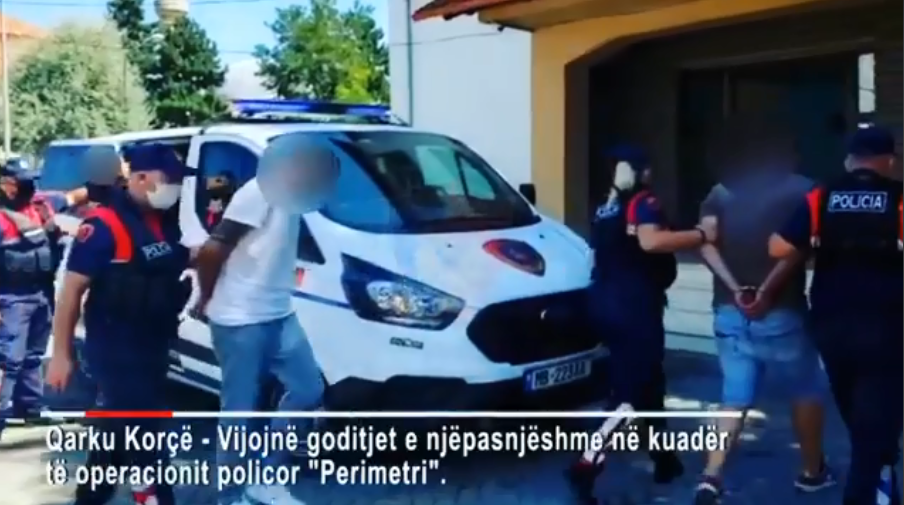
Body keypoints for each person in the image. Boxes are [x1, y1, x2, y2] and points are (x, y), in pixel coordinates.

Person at [692, 117, 834, 505]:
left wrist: (736, 289)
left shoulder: (720, 192)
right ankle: (812, 473)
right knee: (806, 390)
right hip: (781, 312)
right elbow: (799, 249)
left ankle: (711, 477)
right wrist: (765, 292)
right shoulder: (805, 190)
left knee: (734, 398)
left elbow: (706, 242)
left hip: (728, 311)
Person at [566, 145, 716, 504]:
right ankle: (585, 465)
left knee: (650, 384)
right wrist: (701, 234)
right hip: (635, 311)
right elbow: (652, 242)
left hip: (607, 305)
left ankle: (664, 459)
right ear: (643, 171)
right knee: (629, 395)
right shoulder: (644, 202)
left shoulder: (606, 207)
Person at [192, 134, 337, 505]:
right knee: (239, 410)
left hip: (279, 313)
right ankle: (230, 496)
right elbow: (212, 250)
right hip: (240, 318)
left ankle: (267, 476)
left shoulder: (296, 195)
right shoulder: (257, 193)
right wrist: (205, 299)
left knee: (308, 389)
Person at [45, 143, 190, 505]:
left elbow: (169, 263)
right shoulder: (103, 226)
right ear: (139, 178)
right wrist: (62, 355)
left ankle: (92, 497)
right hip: (116, 351)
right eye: (168, 179)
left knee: (115, 436)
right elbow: (70, 293)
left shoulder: (163, 221)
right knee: (145, 438)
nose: (174, 187)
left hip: (153, 346)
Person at [769, 125, 902, 505]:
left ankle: (883, 477)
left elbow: (777, 248)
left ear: (850, 160)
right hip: (885, 323)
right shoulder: (898, 197)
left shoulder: (822, 195)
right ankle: (868, 486)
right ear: (889, 161)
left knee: (860, 410)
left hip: (831, 323)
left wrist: (821, 240)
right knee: (876, 421)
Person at [0, 158, 67, 437]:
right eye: (21, 181)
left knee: (33, 354)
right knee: (8, 359)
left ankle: (29, 406)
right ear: (6, 184)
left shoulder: (42, 204)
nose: (28, 186)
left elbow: (77, 197)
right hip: (10, 296)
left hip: (42, 292)